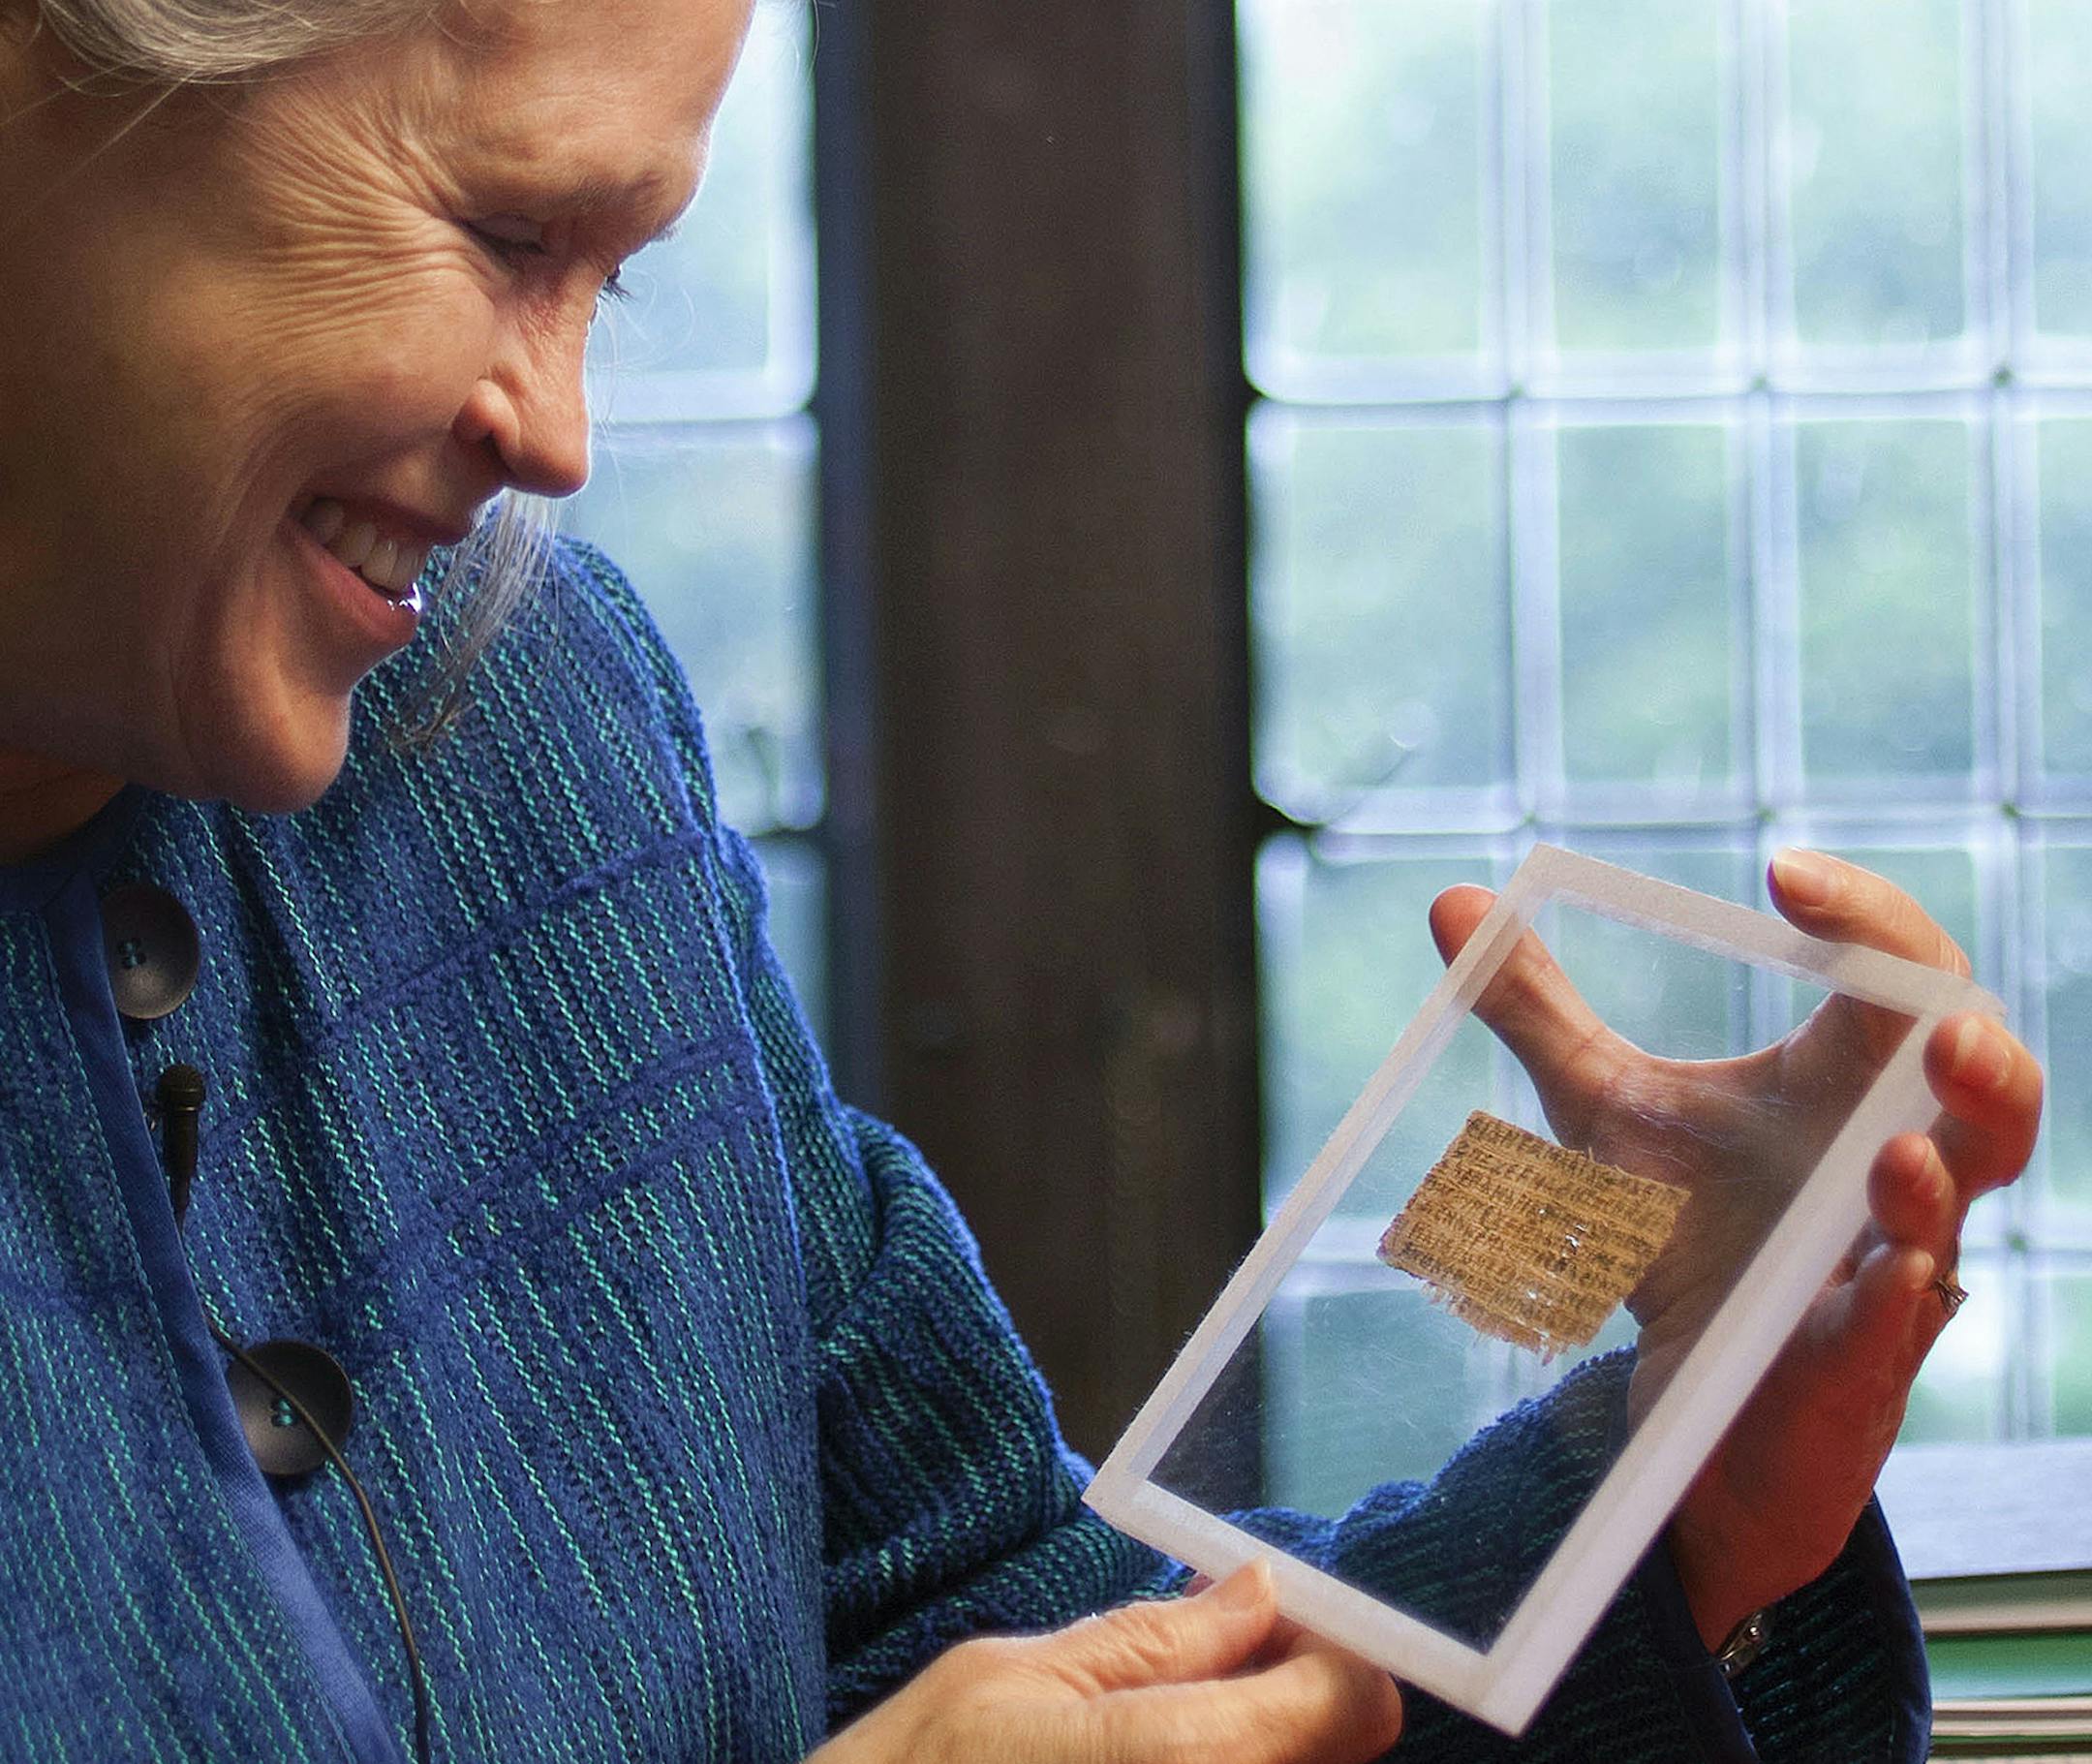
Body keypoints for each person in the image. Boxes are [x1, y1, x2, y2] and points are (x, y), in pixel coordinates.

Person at [0, 0, 2043, 1759]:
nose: (560, 435)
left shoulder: (535, 729)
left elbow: (989, 1628)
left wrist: (1668, 1507)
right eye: (505, 233)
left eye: (611, 279)